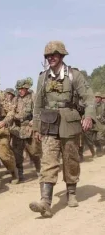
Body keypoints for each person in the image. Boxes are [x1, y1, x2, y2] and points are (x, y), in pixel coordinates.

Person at [29, 41, 95, 218]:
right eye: (48, 56)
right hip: (49, 124)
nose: (51, 58)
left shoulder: (74, 75)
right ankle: (45, 202)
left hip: (70, 123)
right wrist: (36, 127)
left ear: (62, 56)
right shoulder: (43, 77)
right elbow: (38, 104)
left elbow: (89, 97)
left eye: (54, 55)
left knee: (70, 159)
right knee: (48, 161)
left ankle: (71, 192)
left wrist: (88, 116)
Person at [11, 78, 41, 181]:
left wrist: (35, 121)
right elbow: (11, 112)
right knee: (17, 153)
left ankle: (39, 169)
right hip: (18, 128)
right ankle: (20, 174)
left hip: (29, 127)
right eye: (18, 89)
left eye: (22, 88)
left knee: (33, 151)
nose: (20, 91)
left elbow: (39, 110)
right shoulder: (15, 99)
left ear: (26, 88)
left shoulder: (33, 97)